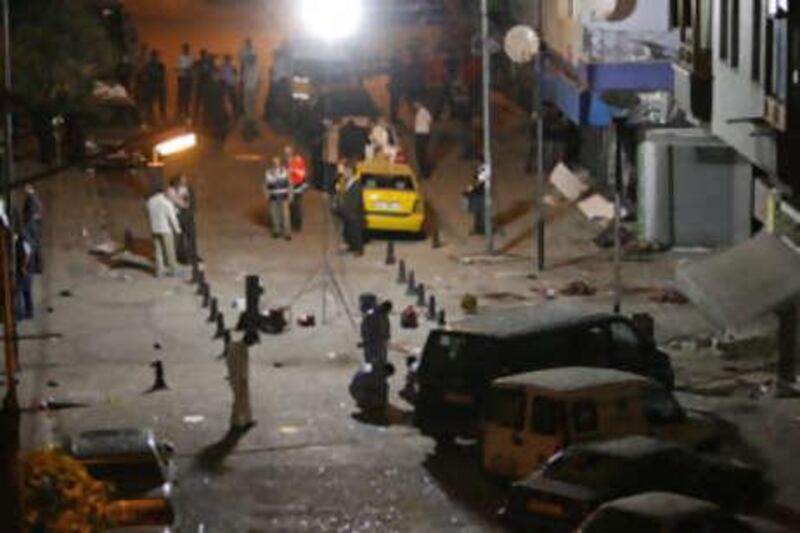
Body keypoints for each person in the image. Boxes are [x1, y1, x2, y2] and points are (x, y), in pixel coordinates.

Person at [146, 187, 182, 277]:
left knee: (158, 251)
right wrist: (177, 229)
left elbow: (147, 214)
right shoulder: (166, 203)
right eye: (172, 196)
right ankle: (174, 271)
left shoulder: (150, 201)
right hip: (166, 229)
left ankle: (159, 271)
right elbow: (172, 218)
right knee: (170, 251)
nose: (173, 198)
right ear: (167, 194)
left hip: (154, 228)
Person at [264, 156, 292, 240]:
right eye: (274, 162)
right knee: (274, 214)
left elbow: (290, 183)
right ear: (272, 163)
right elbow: (266, 185)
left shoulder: (285, 171)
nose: (276, 164)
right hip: (273, 197)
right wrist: (266, 194)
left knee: (286, 215)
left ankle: (287, 233)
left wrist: (290, 194)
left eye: (277, 162)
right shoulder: (268, 173)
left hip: (283, 196)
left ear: (280, 163)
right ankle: (276, 231)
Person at [340, 163, 365, 255]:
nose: (344, 173)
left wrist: (352, 211)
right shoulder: (348, 181)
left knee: (356, 231)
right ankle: (351, 246)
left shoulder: (356, 183)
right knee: (349, 230)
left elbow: (356, 199)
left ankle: (359, 250)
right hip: (348, 211)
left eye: (346, 171)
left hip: (354, 212)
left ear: (351, 172)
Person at [285, 146, 307, 232]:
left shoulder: (298, 160)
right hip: (289, 187)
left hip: (298, 186)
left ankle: (298, 225)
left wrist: (292, 170)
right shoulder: (286, 163)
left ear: (292, 152)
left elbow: (302, 173)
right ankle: (291, 224)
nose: (287, 155)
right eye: (286, 153)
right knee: (291, 206)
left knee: (297, 206)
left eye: (288, 153)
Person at [141, 50, 167, 125]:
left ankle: (163, 120)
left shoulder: (161, 65)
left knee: (162, 105)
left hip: (159, 86)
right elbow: (144, 77)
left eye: (156, 56)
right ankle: (151, 120)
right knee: (150, 105)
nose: (155, 58)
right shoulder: (147, 66)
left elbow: (162, 76)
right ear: (151, 57)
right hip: (151, 87)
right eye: (154, 56)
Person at [22, 184, 43, 274]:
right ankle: (35, 267)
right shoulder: (36, 199)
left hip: (31, 225)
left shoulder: (32, 198)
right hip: (34, 225)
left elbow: (31, 213)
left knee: (31, 246)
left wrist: (27, 223)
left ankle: (31, 267)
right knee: (34, 246)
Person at [463, 159, 488, 235]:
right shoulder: (480, 169)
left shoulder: (484, 170)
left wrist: (468, 190)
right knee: (477, 212)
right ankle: (478, 227)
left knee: (482, 212)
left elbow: (477, 183)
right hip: (478, 193)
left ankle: (482, 228)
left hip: (482, 194)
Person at [15, 225, 34, 321]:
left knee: (20, 291)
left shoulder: (22, 239)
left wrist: (23, 266)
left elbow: (28, 253)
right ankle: (29, 312)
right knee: (26, 291)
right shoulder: (23, 237)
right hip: (25, 269)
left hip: (24, 270)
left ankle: (20, 314)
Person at [413, 100, 433, 178]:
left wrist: (425, 128)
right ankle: (423, 172)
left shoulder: (424, 111)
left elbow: (430, 121)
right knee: (421, 153)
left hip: (422, 134)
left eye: (415, 103)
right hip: (423, 134)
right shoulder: (420, 112)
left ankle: (424, 172)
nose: (414, 105)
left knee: (421, 154)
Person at [176, 43, 193, 121]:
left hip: (189, 78)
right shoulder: (180, 57)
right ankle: (179, 112)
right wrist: (185, 69)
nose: (187, 49)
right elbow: (178, 68)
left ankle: (186, 113)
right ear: (183, 49)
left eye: (187, 48)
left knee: (187, 97)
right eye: (185, 48)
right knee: (181, 96)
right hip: (182, 78)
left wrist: (189, 70)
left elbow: (192, 67)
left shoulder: (190, 57)